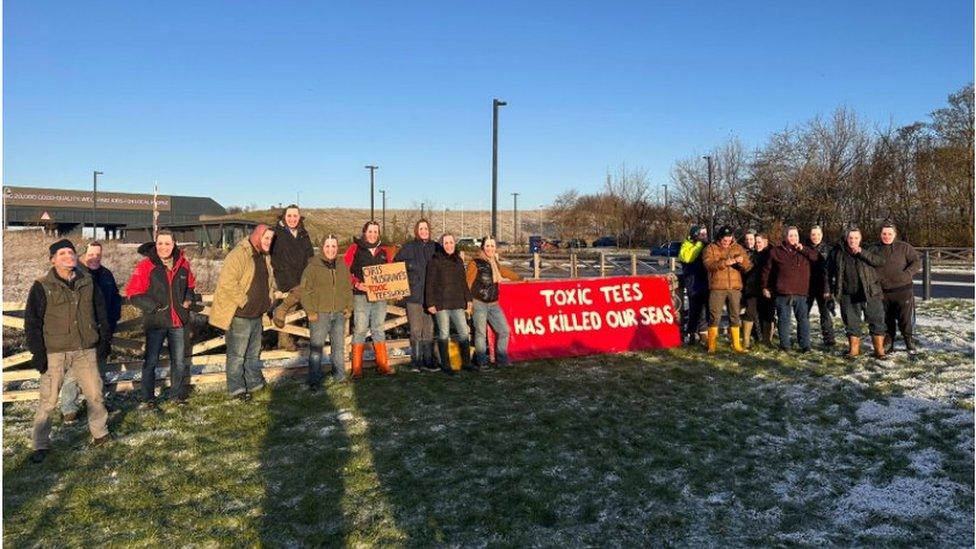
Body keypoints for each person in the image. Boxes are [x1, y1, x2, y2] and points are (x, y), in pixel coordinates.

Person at [25, 239, 112, 463]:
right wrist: (39, 354)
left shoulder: (88, 282)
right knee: (49, 400)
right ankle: (40, 444)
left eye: (70, 252)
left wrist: (104, 340)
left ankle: (100, 433)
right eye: (61, 253)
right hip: (55, 351)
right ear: (53, 259)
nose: (67, 256)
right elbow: (32, 322)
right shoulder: (42, 285)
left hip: (85, 348)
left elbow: (101, 312)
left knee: (95, 394)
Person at [126, 230, 197, 408]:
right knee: (151, 361)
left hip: (178, 321)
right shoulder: (146, 265)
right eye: (160, 243)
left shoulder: (183, 264)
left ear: (174, 244)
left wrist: (188, 299)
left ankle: (177, 396)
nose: (163, 247)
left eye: (167, 243)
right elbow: (132, 293)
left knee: (179, 361)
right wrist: (153, 307)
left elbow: (190, 285)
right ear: (155, 244)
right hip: (156, 322)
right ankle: (148, 398)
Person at [210, 225, 276, 401]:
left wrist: (268, 300)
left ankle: (254, 383)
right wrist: (244, 301)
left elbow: (268, 282)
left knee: (253, 354)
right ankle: (237, 389)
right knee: (237, 355)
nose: (269, 242)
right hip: (241, 315)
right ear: (257, 237)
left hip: (257, 315)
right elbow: (227, 282)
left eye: (271, 239)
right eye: (266, 238)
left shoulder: (264, 257)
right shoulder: (239, 254)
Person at [59, 241, 122, 422]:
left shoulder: (106, 274)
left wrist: (113, 318)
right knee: (73, 372)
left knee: (100, 369)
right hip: (80, 331)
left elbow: (116, 298)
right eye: (91, 254)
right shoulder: (74, 274)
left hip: (103, 330)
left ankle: (97, 403)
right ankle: (69, 408)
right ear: (83, 255)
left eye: (98, 255)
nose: (95, 258)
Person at [298, 235, 353, 389]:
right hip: (320, 313)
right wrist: (310, 310)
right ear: (322, 247)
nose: (331, 250)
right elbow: (305, 291)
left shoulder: (342, 265)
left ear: (337, 248)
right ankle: (314, 380)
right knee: (316, 349)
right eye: (328, 246)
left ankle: (339, 376)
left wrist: (349, 306)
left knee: (338, 347)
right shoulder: (312, 267)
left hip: (338, 313)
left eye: (334, 246)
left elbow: (347, 288)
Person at [344, 221, 397, 378]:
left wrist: (395, 289)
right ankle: (357, 368)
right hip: (361, 296)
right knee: (360, 329)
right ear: (364, 232)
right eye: (370, 231)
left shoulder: (384, 251)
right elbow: (344, 270)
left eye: (375, 232)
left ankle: (382, 365)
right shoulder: (355, 248)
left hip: (380, 297)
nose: (373, 234)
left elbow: (391, 273)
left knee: (378, 329)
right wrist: (356, 283)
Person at [829, 227, 887, 358]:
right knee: (851, 322)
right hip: (848, 294)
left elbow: (879, 261)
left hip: (870, 292)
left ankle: (879, 350)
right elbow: (829, 271)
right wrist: (830, 290)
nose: (853, 241)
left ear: (860, 239)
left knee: (877, 320)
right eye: (850, 238)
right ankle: (854, 350)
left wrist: (861, 252)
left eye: (856, 238)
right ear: (846, 238)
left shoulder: (870, 249)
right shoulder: (838, 252)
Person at [762, 226, 820, 352]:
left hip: (801, 292)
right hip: (782, 292)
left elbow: (816, 258)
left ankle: (805, 345)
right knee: (784, 320)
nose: (793, 238)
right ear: (785, 237)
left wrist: (803, 249)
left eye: (796, 236)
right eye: (791, 236)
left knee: (803, 320)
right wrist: (765, 286)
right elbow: (767, 271)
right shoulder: (776, 252)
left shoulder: (805, 250)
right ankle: (785, 345)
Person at [467, 236, 522, 367]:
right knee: (480, 333)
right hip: (479, 302)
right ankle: (481, 362)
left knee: (504, 330)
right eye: (487, 246)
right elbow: (468, 282)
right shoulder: (475, 263)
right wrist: (468, 302)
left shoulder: (494, 263)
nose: (490, 248)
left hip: (493, 303)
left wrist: (520, 278)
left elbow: (505, 272)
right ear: (483, 247)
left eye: (492, 246)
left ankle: (502, 359)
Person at [426, 233, 474, 374]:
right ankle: (446, 365)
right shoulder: (435, 260)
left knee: (464, 332)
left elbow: (463, 282)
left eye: (451, 242)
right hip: (441, 304)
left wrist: (468, 299)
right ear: (442, 244)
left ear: (454, 244)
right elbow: (429, 284)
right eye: (446, 242)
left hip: (457, 302)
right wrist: (430, 303)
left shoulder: (458, 260)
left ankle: (466, 363)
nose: (449, 245)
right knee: (444, 333)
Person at [394, 219, 438, 372]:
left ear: (429, 230)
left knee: (429, 329)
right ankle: (416, 362)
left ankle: (428, 361)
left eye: (426, 228)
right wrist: (399, 288)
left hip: (430, 297)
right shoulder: (409, 248)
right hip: (414, 295)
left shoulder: (435, 247)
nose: (423, 231)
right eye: (421, 228)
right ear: (416, 230)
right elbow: (395, 266)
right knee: (415, 330)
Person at [270, 204, 314, 352]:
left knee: (293, 307)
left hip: (301, 274)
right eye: (289, 216)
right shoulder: (276, 232)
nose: (292, 219)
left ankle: (284, 340)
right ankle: (281, 311)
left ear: (299, 217)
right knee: (301, 292)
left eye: (295, 216)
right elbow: (272, 254)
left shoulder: (303, 233)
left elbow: (310, 255)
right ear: (284, 216)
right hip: (283, 272)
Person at [702, 226, 752, 353]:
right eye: (724, 239)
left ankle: (736, 344)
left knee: (735, 316)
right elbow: (709, 265)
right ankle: (712, 345)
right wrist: (725, 263)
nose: (727, 241)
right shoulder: (710, 248)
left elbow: (747, 266)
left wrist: (741, 262)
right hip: (717, 288)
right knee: (714, 316)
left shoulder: (738, 248)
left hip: (734, 288)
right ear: (720, 237)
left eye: (729, 238)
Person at [876, 224, 921, 354]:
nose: (887, 236)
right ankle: (890, 342)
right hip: (883, 292)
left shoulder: (904, 247)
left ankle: (908, 341)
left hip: (903, 290)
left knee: (904, 318)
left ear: (894, 234)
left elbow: (916, 262)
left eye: (889, 234)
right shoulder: (875, 249)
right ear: (880, 235)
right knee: (887, 318)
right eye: (884, 234)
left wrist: (907, 274)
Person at [678, 225, 710, 345]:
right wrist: (699, 244)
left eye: (705, 234)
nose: (704, 237)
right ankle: (691, 334)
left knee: (707, 310)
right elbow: (687, 257)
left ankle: (704, 334)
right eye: (701, 234)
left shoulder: (706, 245)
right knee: (694, 310)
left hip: (705, 281)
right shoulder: (687, 245)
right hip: (693, 283)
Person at [806, 225, 837, 349]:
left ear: (822, 235)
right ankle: (803, 337)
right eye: (813, 234)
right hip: (807, 286)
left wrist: (830, 288)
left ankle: (829, 339)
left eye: (818, 234)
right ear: (810, 236)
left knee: (825, 313)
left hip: (824, 286)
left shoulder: (828, 250)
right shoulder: (805, 249)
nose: (816, 237)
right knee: (804, 314)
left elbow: (832, 270)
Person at [742, 233, 775, 348]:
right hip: (752, 289)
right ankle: (746, 340)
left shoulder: (771, 254)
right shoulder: (751, 254)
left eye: (759, 242)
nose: (756, 244)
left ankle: (767, 340)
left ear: (766, 242)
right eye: (755, 242)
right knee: (750, 313)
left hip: (767, 288)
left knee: (768, 314)